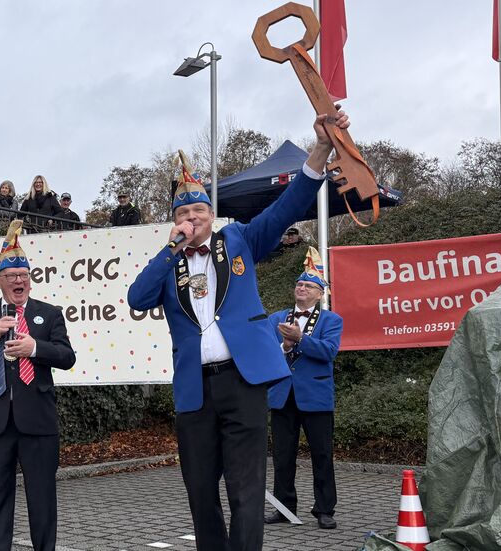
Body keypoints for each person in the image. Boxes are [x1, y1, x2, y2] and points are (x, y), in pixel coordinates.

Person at [127, 109, 350, 551]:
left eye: (200, 210)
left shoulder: (239, 240)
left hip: (243, 380)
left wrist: (321, 150)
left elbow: (286, 207)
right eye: (185, 213)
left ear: (212, 214)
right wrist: (172, 249)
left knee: (246, 490)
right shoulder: (168, 263)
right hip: (195, 389)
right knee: (200, 491)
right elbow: (137, 298)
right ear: (175, 220)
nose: (193, 218)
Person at [0, 220, 76, 551]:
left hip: (38, 421)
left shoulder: (48, 315)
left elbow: (67, 357)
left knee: (42, 498)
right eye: (12, 276)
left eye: (24, 275)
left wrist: (34, 349)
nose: (19, 280)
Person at [265, 247, 342, 530]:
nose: (302, 288)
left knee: (322, 455)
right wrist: (284, 346)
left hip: (316, 397)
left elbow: (329, 352)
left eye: (309, 286)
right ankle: (284, 508)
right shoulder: (276, 319)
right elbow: (266, 354)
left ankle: (325, 509)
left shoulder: (331, 320)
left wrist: (300, 339)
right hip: (283, 396)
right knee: (283, 457)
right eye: (299, 284)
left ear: (320, 294)